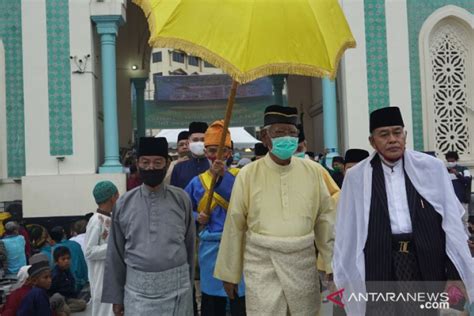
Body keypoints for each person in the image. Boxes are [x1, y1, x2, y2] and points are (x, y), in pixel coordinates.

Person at [333, 106, 473, 315]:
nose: (392, 139)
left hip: (426, 264)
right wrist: (344, 276)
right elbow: (347, 233)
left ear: (405, 136)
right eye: (384, 134)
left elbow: (451, 225)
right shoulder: (357, 177)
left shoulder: (431, 169)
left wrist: (454, 273)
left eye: (397, 132)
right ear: (372, 141)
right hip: (379, 265)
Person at [214, 105, 337, 315]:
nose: (287, 138)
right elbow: (235, 224)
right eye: (279, 132)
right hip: (262, 264)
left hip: (302, 263)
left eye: (292, 133)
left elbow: (325, 220)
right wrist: (229, 273)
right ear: (264, 136)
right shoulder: (248, 174)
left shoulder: (314, 171)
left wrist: (331, 263)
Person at [102, 137, 196, 315]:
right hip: (137, 294)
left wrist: (189, 287)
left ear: (167, 164)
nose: (151, 167)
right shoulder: (124, 203)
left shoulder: (181, 199)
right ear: (137, 164)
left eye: (157, 162)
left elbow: (190, 247)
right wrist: (116, 297)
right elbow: (115, 252)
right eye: (145, 162)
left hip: (178, 291)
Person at [184, 121, 246, 316]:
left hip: (238, 245)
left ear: (229, 152)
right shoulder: (196, 182)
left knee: (239, 300)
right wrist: (197, 216)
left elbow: (247, 205)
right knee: (212, 302)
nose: (216, 156)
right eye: (212, 151)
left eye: (222, 151)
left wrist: (223, 178)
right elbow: (184, 211)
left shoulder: (242, 177)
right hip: (209, 248)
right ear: (205, 152)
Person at [85, 180, 119, 316]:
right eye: (117, 195)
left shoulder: (109, 218)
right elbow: (89, 251)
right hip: (101, 275)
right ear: (112, 197)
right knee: (103, 310)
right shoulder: (95, 221)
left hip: (111, 273)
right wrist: (114, 246)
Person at [171, 122, 210, 189]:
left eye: (203, 140)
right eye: (195, 140)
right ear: (189, 142)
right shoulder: (179, 168)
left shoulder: (213, 166)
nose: (199, 143)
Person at [49, 246, 87, 313]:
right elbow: (52, 292)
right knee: (80, 305)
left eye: (68, 258)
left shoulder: (67, 270)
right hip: (61, 300)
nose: (66, 261)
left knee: (83, 302)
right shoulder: (55, 275)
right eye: (63, 259)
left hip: (69, 298)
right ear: (56, 261)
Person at [50, 226, 88, 291]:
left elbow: (53, 266)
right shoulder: (75, 244)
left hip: (66, 284)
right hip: (82, 282)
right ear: (64, 235)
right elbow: (83, 264)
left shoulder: (55, 248)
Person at [445, 151, 472, 232]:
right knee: (452, 221)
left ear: (456, 160)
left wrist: (457, 174)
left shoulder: (464, 169)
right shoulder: (444, 170)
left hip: (462, 200)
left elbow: (467, 180)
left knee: (463, 220)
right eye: (449, 161)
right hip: (450, 201)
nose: (450, 163)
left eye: (452, 161)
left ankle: (466, 239)